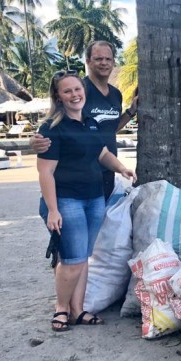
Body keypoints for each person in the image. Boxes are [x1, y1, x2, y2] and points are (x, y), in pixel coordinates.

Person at [37, 71, 136, 332]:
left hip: (94, 198)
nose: (74, 95)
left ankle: (78, 310)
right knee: (71, 259)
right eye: (67, 91)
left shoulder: (90, 123)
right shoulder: (51, 128)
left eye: (77, 89)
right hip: (67, 200)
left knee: (84, 258)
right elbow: (45, 171)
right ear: (58, 96)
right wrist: (53, 210)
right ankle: (61, 309)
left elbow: (102, 153)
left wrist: (121, 168)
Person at [31, 41, 137, 200]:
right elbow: (55, 121)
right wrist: (34, 140)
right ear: (88, 62)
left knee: (100, 222)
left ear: (114, 62)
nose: (104, 63)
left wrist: (131, 111)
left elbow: (110, 128)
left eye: (108, 59)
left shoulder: (116, 94)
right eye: (98, 59)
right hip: (81, 172)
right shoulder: (78, 91)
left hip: (108, 168)